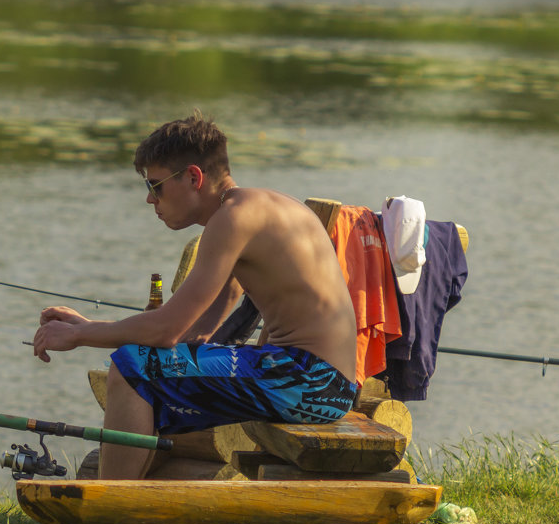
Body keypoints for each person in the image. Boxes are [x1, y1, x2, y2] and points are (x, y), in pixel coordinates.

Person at [29, 111, 358, 480]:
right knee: (153, 364)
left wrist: (80, 333)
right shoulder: (262, 205)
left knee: (130, 369)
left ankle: (107, 516)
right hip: (324, 380)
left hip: (308, 383)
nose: (150, 200)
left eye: (156, 186)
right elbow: (231, 287)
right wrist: (197, 335)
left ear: (193, 177)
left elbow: (165, 329)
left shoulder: (232, 219)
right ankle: (186, 518)